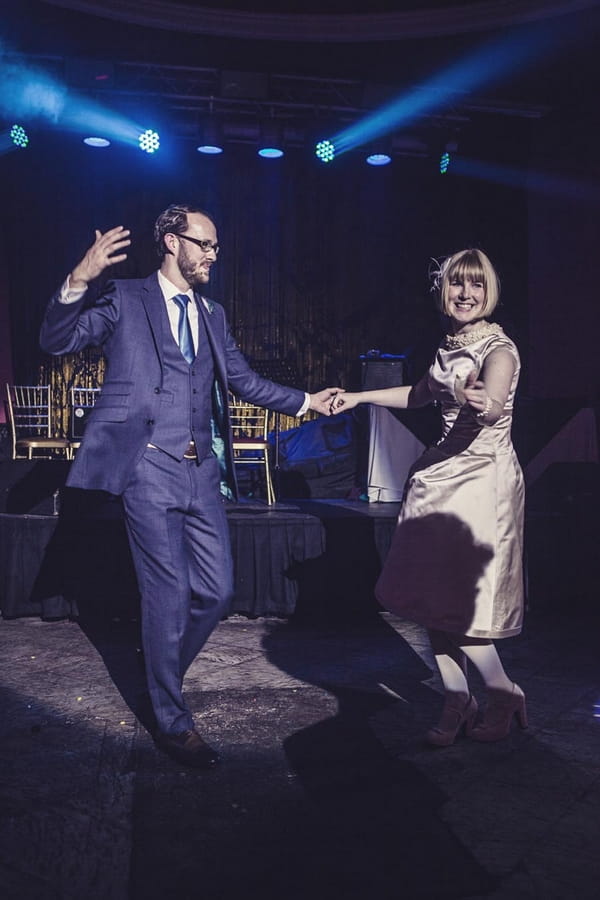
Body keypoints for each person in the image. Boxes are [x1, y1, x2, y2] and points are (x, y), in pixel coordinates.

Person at [40, 203, 341, 768]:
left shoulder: (214, 314)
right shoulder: (127, 300)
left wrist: (306, 402)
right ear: (172, 242)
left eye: (216, 247)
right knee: (167, 592)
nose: (212, 254)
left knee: (216, 592)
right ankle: (173, 721)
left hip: (202, 470)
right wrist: (80, 279)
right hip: (145, 467)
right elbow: (58, 340)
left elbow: (245, 380)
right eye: (203, 243)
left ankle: (159, 677)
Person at [332, 248, 527, 746]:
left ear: (490, 292)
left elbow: (493, 402)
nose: (466, 294)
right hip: (437, 479)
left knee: (458, 603)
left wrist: (481, 403)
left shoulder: (497, 349)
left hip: (481, 482)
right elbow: (419, 394)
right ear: (444, 291)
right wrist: (358, 397)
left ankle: (502, 692)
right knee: (427, 600)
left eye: (476, 285)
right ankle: (457, 698)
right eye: (458, 285)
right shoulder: (450, 345)